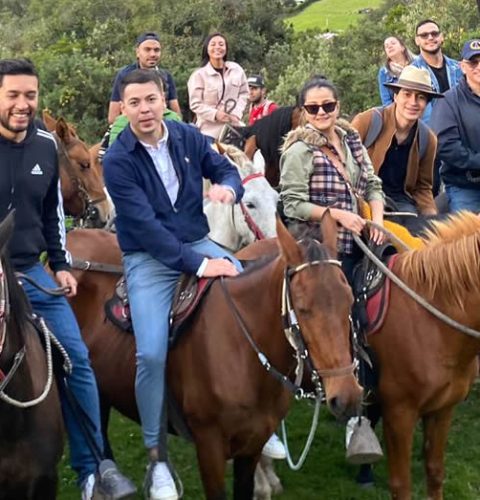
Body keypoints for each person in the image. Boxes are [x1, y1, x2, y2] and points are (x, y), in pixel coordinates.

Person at [103, 68, 287, 499]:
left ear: (164, 101)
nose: (145, 110)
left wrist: (228, 188)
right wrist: (202, 267)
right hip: (150, 260)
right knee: (150, 352)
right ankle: (156, 457)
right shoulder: (117, 159)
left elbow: (225, 169)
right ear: (124, 108)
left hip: (199, 240)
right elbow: (146, 230)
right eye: (134, 103)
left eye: (151, 100)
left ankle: (268, 429)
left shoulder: (187, 136)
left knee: (264, 312)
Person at [0, 58, 136, 500]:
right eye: (13, 95)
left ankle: (93, 470)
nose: (23, 104)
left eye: (30, 95)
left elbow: (52, 215)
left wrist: (59, 263)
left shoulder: (44, 146)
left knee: (77, 360)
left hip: (33, 272)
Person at [279, 76, 385, 283]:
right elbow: (293, 205)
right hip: (321, 248)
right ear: (304, 112)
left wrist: (377, 221)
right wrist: (338, 215)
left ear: (337, 107)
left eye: (328, 106)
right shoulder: (298, 151)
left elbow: (373, 185)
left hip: (363, 239)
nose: (321, 112)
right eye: (313, 108)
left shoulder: (353, 142)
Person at [352, 66, 441, 225]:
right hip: (364, 198)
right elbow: (344, 162)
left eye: (420, 97)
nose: (413, 102)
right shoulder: (368, 121)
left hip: (402, 205)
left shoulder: (428, 139)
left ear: (426, 103)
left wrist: (432, 220)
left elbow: (423, 187)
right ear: (396, 96)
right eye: (407, 94)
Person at [430, 39, 480, 213]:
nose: (478, 67)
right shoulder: (448, 101)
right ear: (462, 66)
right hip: (466, 186)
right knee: (469, 237)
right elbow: (446, 146)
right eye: (473, 62)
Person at [108, 32, 181, 124]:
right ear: (138, 52)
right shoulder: (124, 75)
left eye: (156, 50)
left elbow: (176, 111)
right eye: (147, 49)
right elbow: (113, 117)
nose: (152, 54)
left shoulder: (166, 75)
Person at [188, 32, 248, 140]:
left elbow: (244, 93)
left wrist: (236, 113)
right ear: (207, 49)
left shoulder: (236, 69)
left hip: (233, 126)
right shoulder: (199, 75)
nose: (217, 47)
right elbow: (195, 104)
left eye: (221, 44)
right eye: (213, 44)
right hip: (208, 132)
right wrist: (215, 114)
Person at [411, 19, 462, 124]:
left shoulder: (459, 68)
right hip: (432, 132)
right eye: (424, 35)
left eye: (434, 33)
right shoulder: (412, 72)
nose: (430, 37)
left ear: (441, 37)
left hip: (463, 128)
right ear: (417, 40)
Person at [377, 36, 415, 106]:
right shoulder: (384, 72)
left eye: (393, 43)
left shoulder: (418, 63)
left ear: (402, 47)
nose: (390, 47)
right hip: (398, 111)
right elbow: (386, 101)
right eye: (386, 46)